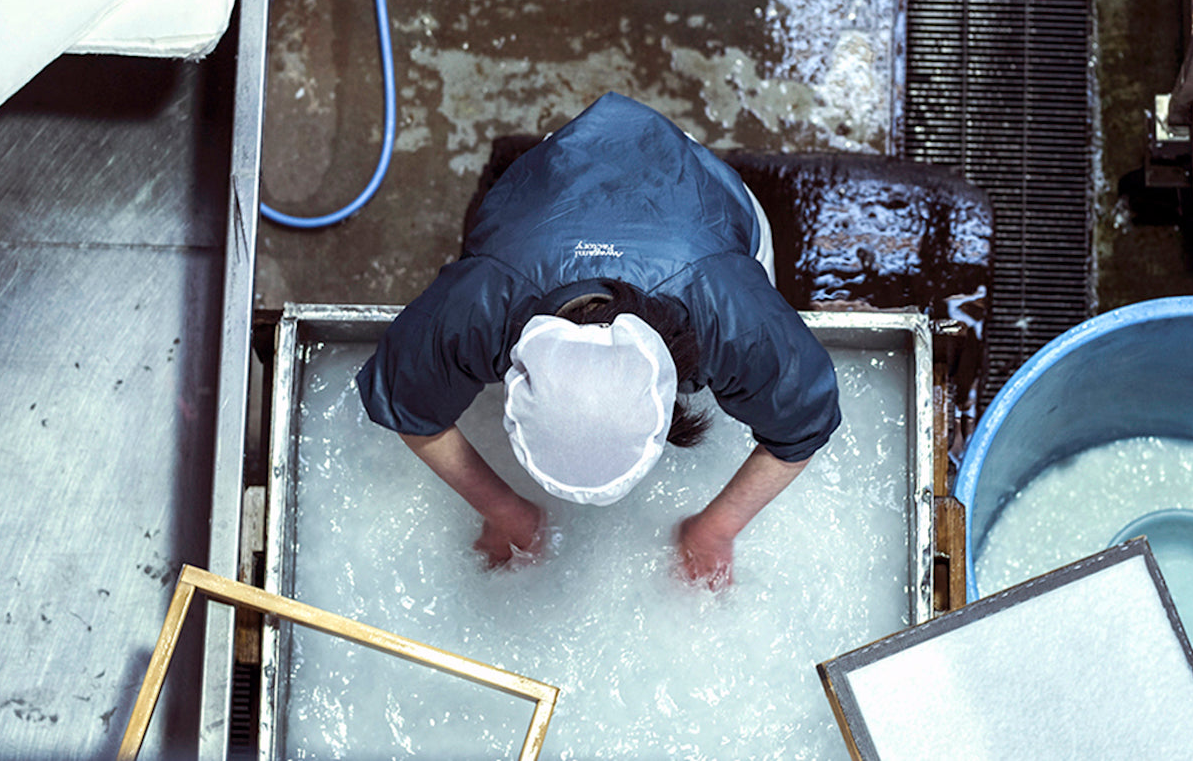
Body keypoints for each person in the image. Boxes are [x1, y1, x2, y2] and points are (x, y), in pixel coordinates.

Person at [356, 92, 841, 589]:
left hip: (694, 188)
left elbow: (803, 422)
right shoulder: (484, 297)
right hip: (551, 177)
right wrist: (504, 510)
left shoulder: (727, 307)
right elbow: (404, 400)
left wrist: (717, 528)